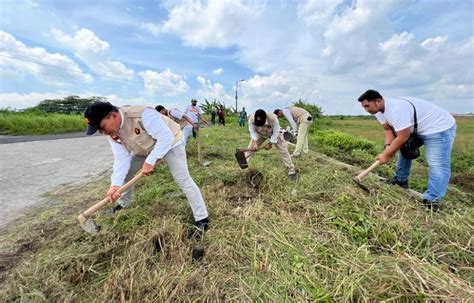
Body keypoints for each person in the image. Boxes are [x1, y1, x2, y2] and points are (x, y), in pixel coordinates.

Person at [84, 101, 209, 232]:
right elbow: (121, 159)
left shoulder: (142, 114)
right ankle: (124, 204)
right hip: (145, 149)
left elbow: (165, 137)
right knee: (126, 174)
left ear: (113, 116)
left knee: (182, 179)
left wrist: (151, 161)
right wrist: (115, 185)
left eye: (101, 127)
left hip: (171, 142)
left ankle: (202, 218)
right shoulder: (112, 133)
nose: (102, 132)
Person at [358, 89, 456, 211]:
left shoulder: (396, 109)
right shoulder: (379, 111)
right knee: (404, 150)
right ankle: (400, 180)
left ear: (378, 101)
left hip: (438, 128)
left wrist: (387, 155)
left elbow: (403, 136)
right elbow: (388, 130)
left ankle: (433, 200)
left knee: (437, 164)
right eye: (363, 107)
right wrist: (388, 147)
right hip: (417, 128)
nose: (366, 110)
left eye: (367, 106)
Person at [246, 109, 297, 180]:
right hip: (260, 134)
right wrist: (255, 143)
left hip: (272, 133)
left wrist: (270, 143)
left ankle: (291, 171)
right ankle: (243, 167)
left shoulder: (273, 118)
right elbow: (252, 132)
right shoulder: (251, 119)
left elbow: (276, 132)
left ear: (265, 118)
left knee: (283, 151)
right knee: (250, 150)